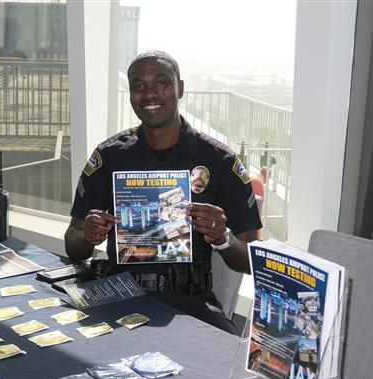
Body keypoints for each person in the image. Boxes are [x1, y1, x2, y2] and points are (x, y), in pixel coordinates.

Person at [64, 50, 261, 334]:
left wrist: (222, 237)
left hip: (188, 302)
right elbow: (72, 246)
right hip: (116, 295)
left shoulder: (220, 161)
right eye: (138, 86)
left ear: (179, 88)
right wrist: (87, 236)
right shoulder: (109, 157)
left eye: (161, 83)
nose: (149, 94)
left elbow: (252, 260)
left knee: (226, 361)